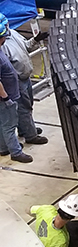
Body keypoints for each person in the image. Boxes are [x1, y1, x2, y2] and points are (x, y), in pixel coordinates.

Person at [0, 16, 46, 149]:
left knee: (28, 104)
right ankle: (30, 135)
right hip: (16, 81)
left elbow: (26, 46)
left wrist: (35, 40)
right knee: (23, 108)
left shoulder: (13, 34)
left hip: (26, 77)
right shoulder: (2, 46)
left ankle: (25, 128)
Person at [0, 27, 31, 163]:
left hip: (8, 94)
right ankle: (16, 152)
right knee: (9, 125)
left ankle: (4, 147)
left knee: (4, 123)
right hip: (5, 97)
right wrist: (5, 97)